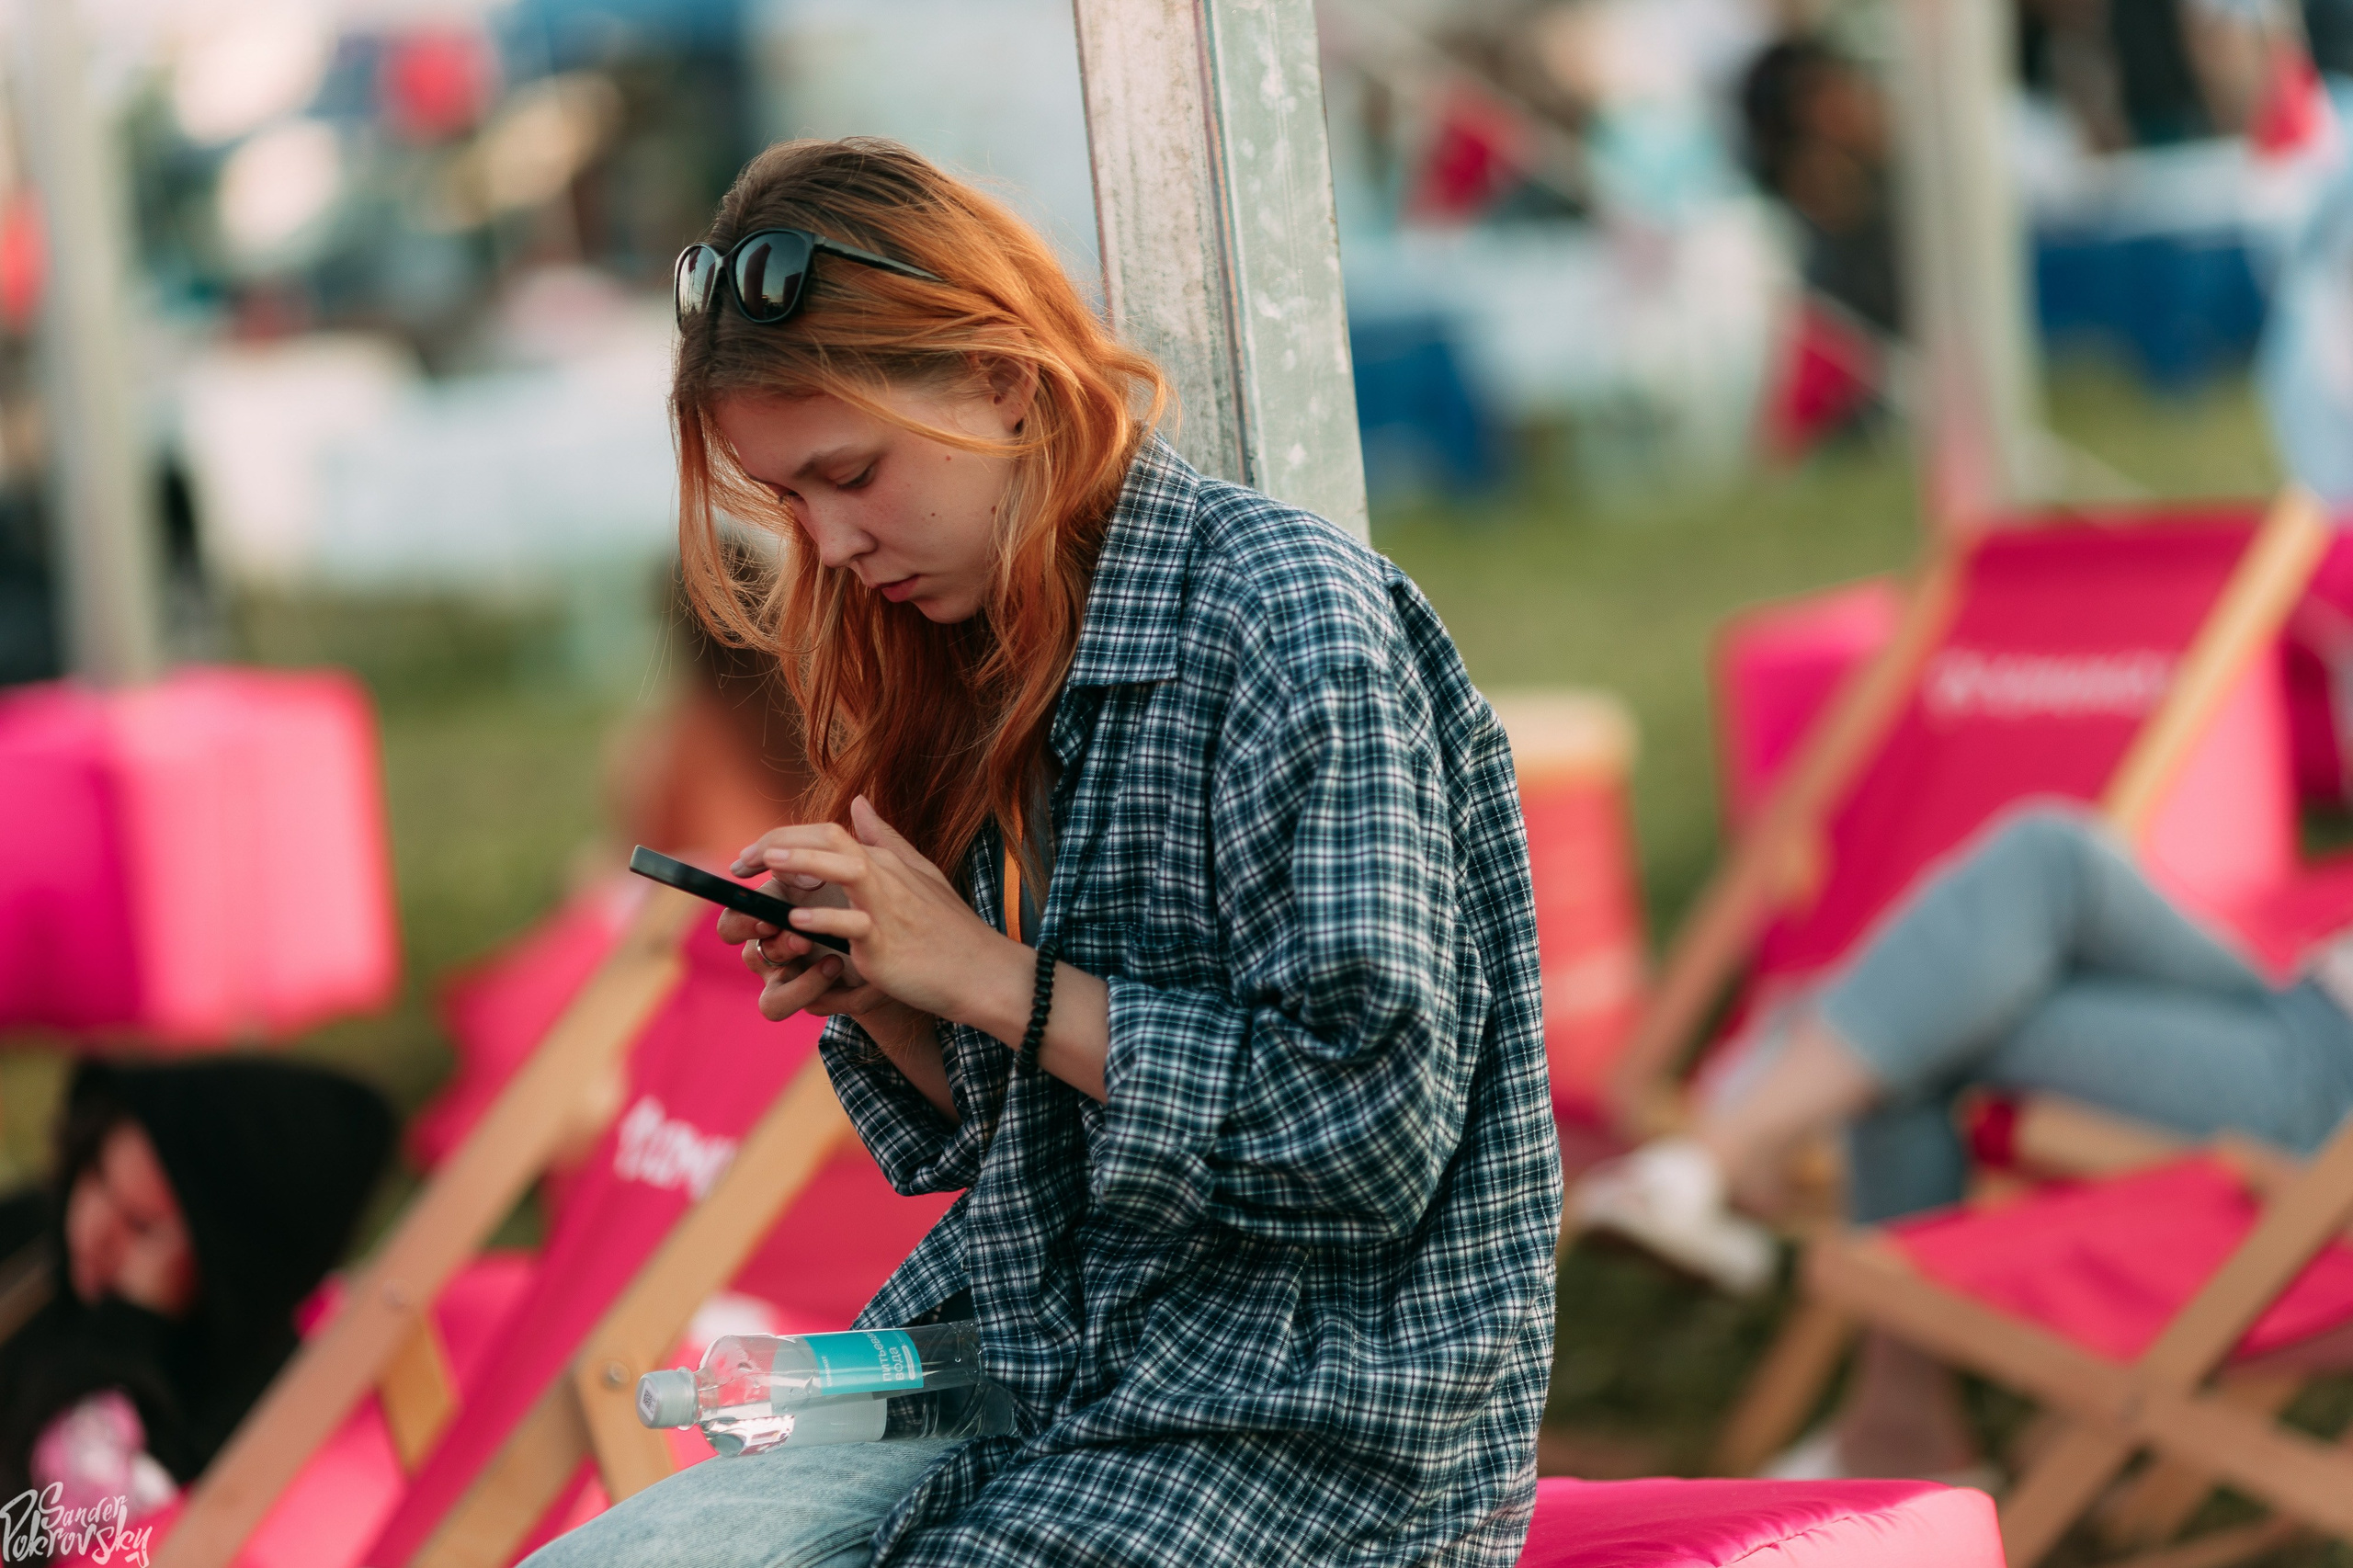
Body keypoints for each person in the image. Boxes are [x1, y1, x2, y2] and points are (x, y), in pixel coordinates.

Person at [521, 139, 1559, 1568]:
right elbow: (1048, 1146)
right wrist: (893, 989)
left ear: (1004, 379)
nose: (825, 541)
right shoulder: (976, 644)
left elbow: (1369, 1133)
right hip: (1032, 1373)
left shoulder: (1287, 622)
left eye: (852, 472)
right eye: (791, 498)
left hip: (1300, 1430)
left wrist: (990, 974)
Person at [1576, 804, 2353, 1479]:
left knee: (1935, 1019)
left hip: (2330, 1100)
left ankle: (1719, 1153)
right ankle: (1731, 1152)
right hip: (2312, 1000)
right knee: (2049, 857)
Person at [0, 1058, 396, 1517]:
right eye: (97, 1176)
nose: (94, 1228)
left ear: (222, 1265)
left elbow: (62, 1518)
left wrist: (130, 1325)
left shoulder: (239, 1408)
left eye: (142, 1226)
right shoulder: (34, 1237)